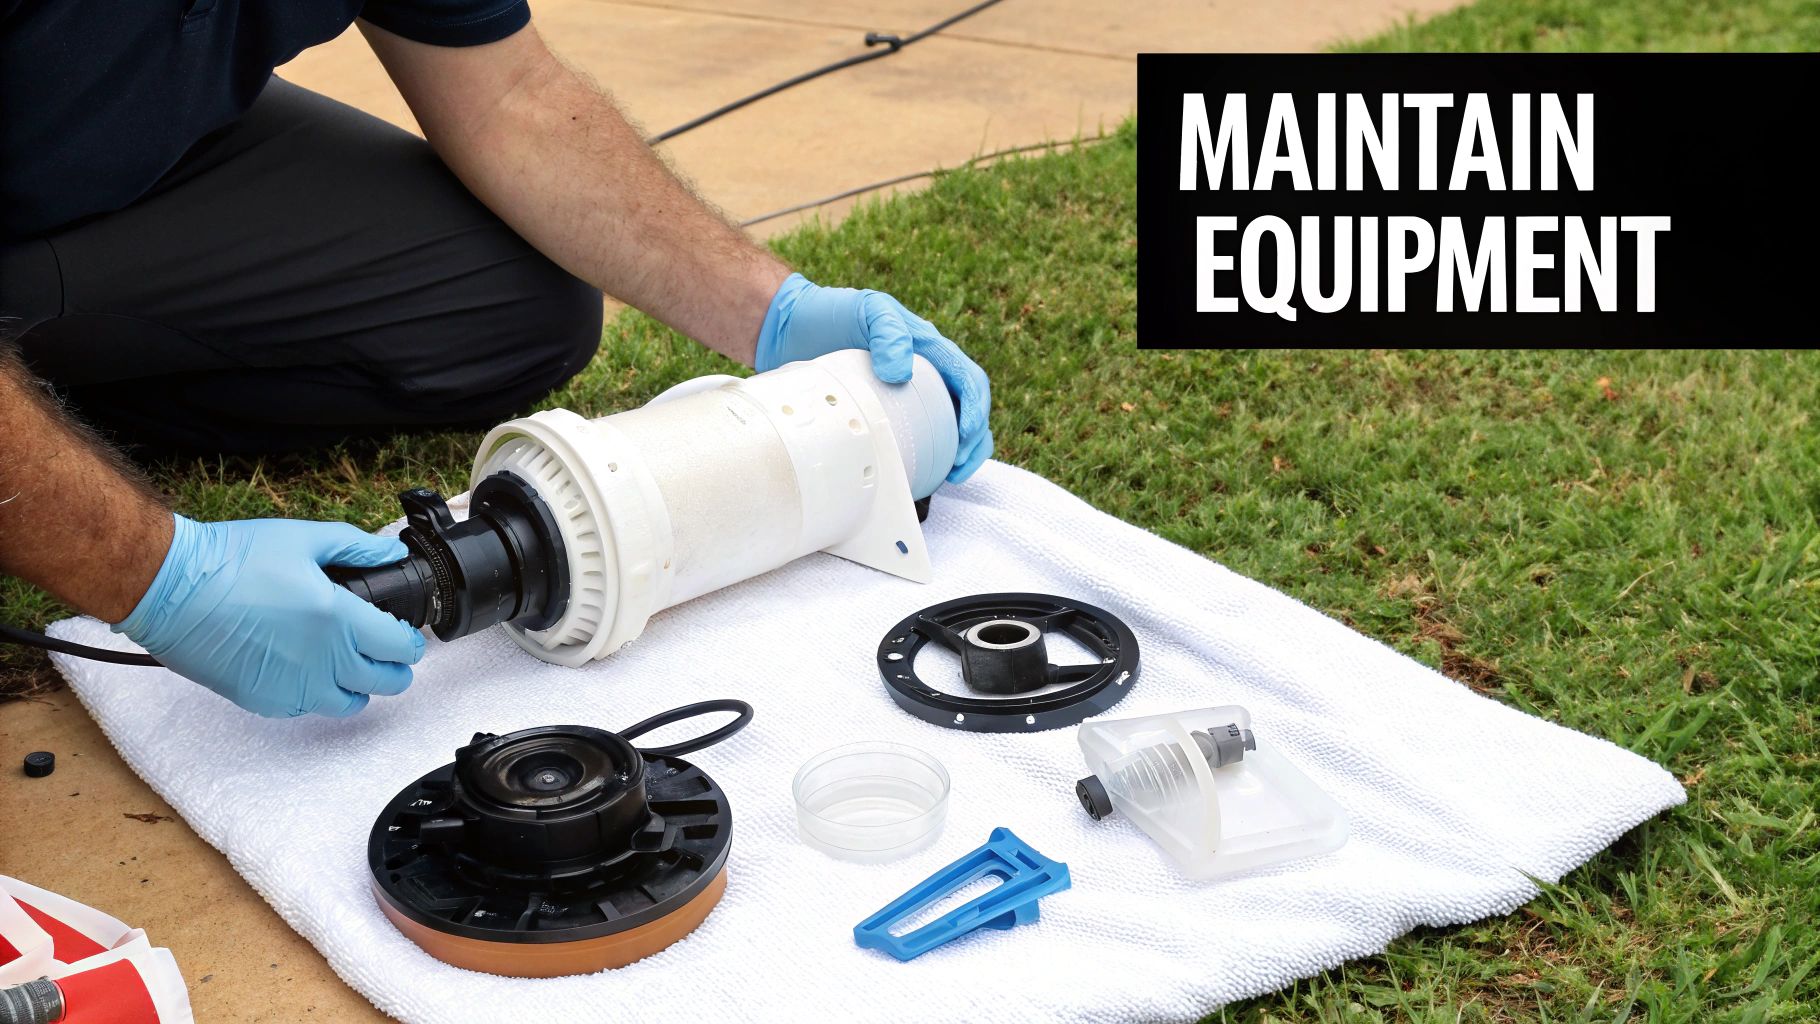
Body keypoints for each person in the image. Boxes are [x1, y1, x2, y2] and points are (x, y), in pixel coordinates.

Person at [0, 0, 992, 720]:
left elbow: (508, 97)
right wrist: (161, 573)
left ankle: (42, 393)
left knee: (507, 306)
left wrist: (770, 310)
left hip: (137, 169)